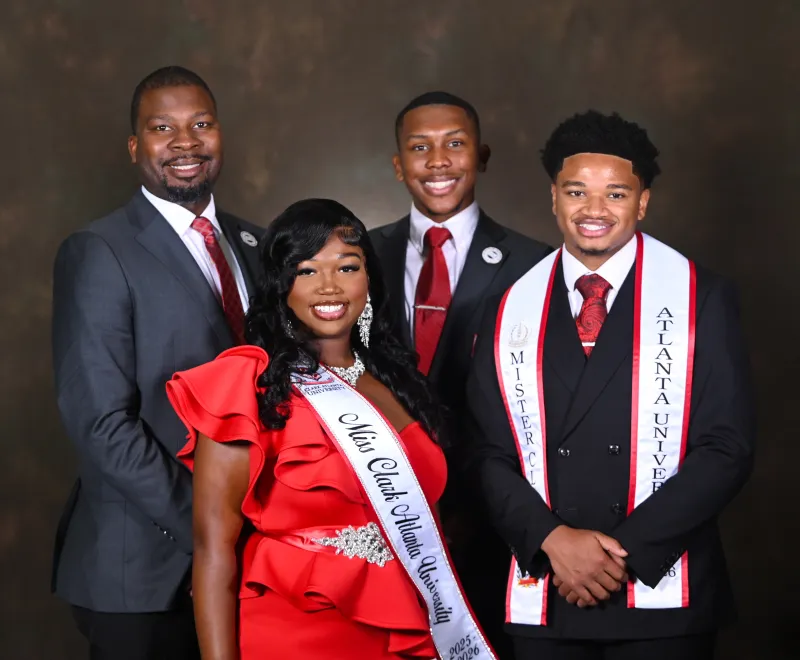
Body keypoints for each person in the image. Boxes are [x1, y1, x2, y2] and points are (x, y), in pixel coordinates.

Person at [467, 110, 755, 660]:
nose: (594, 210)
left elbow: (727, 448)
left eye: (616, 194)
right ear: (554, 197)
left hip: (662, 591)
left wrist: (620, 554)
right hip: (548, 587)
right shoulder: (506, 307)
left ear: (642, 202)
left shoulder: (701, 297)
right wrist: (553, 542)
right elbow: (485, 451)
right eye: (577, 191)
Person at [165, 199, 497, 660]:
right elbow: (213, 550)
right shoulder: (247, 385)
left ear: (369, 278)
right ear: (280, 286)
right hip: (296, 629)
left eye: (347, 267)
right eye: (305, 271)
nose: (328, 287)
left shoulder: (396, 380)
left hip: (401, 625)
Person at [51, 66, 263, 659]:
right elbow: (100, 424)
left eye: (201, 124)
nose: (186, 143)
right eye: (163, 129)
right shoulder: (99, 252)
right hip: (142, 571)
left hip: (250, 564)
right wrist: (212, 526)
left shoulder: (256, 244)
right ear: (135, 146)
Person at [369, 91, 552, 656]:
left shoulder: (537, 265)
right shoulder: (358, 258)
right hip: (385, 510)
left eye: (455, 143)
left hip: (494, 517)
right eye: (420, 148)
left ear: (484, 154)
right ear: (399, 165)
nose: (438, 161)